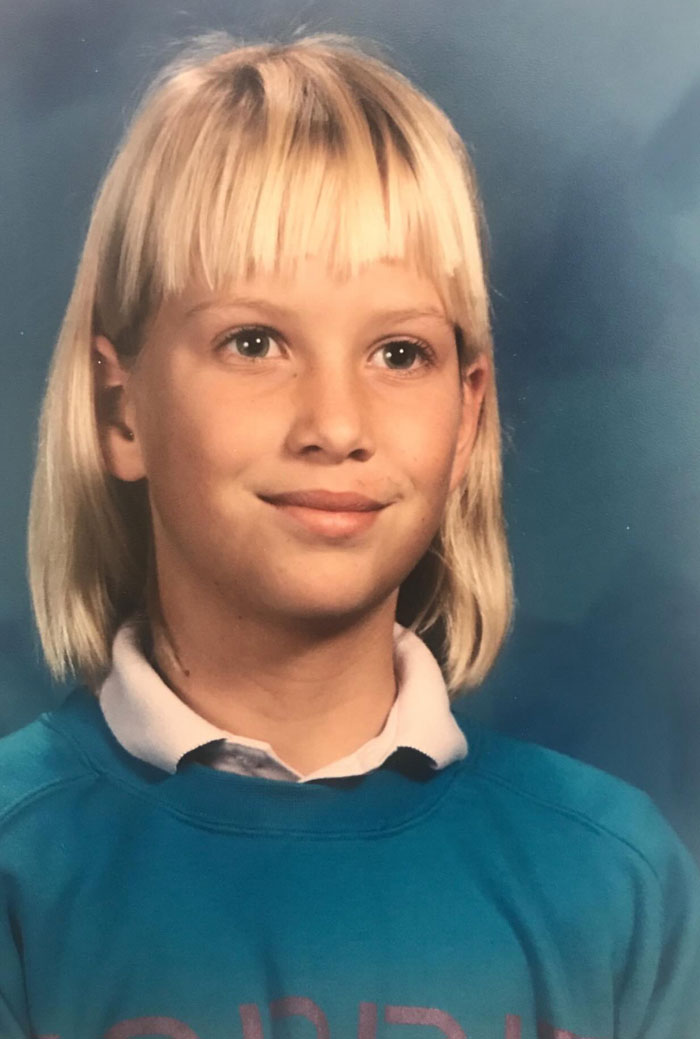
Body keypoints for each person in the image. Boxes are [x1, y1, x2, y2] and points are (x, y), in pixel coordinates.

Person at [2, 29, 699, 1039]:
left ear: (466, 416)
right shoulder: (24, 864)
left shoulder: (613, 877)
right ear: (121, 410)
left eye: (397, 351)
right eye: (254, 341)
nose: (335, 424)